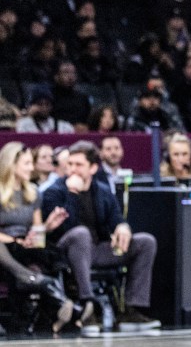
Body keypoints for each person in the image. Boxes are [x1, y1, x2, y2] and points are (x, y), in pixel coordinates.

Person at [42, 141, 161, 333]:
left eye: (78, 165)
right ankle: (87, 306)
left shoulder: (102, 191)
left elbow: (116, 218)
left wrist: (122, 227)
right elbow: (64, 228)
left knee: (145, 242)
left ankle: (129, 309)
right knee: (81, 234)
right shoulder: (54, 192)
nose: (72, 169)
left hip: (97, 249)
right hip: (65, 250)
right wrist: (72, 194)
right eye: (70, 164)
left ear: (93, 168)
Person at [0, 141, 91, 333]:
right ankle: (62, 304)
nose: (31, 168)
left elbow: (37, 233)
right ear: (11, 164)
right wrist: (15, 241)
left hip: (25, 244)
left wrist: (47, 227)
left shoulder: (32, 193)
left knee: (43, 253)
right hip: (5, 244)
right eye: (26, 163)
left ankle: (59, 306)